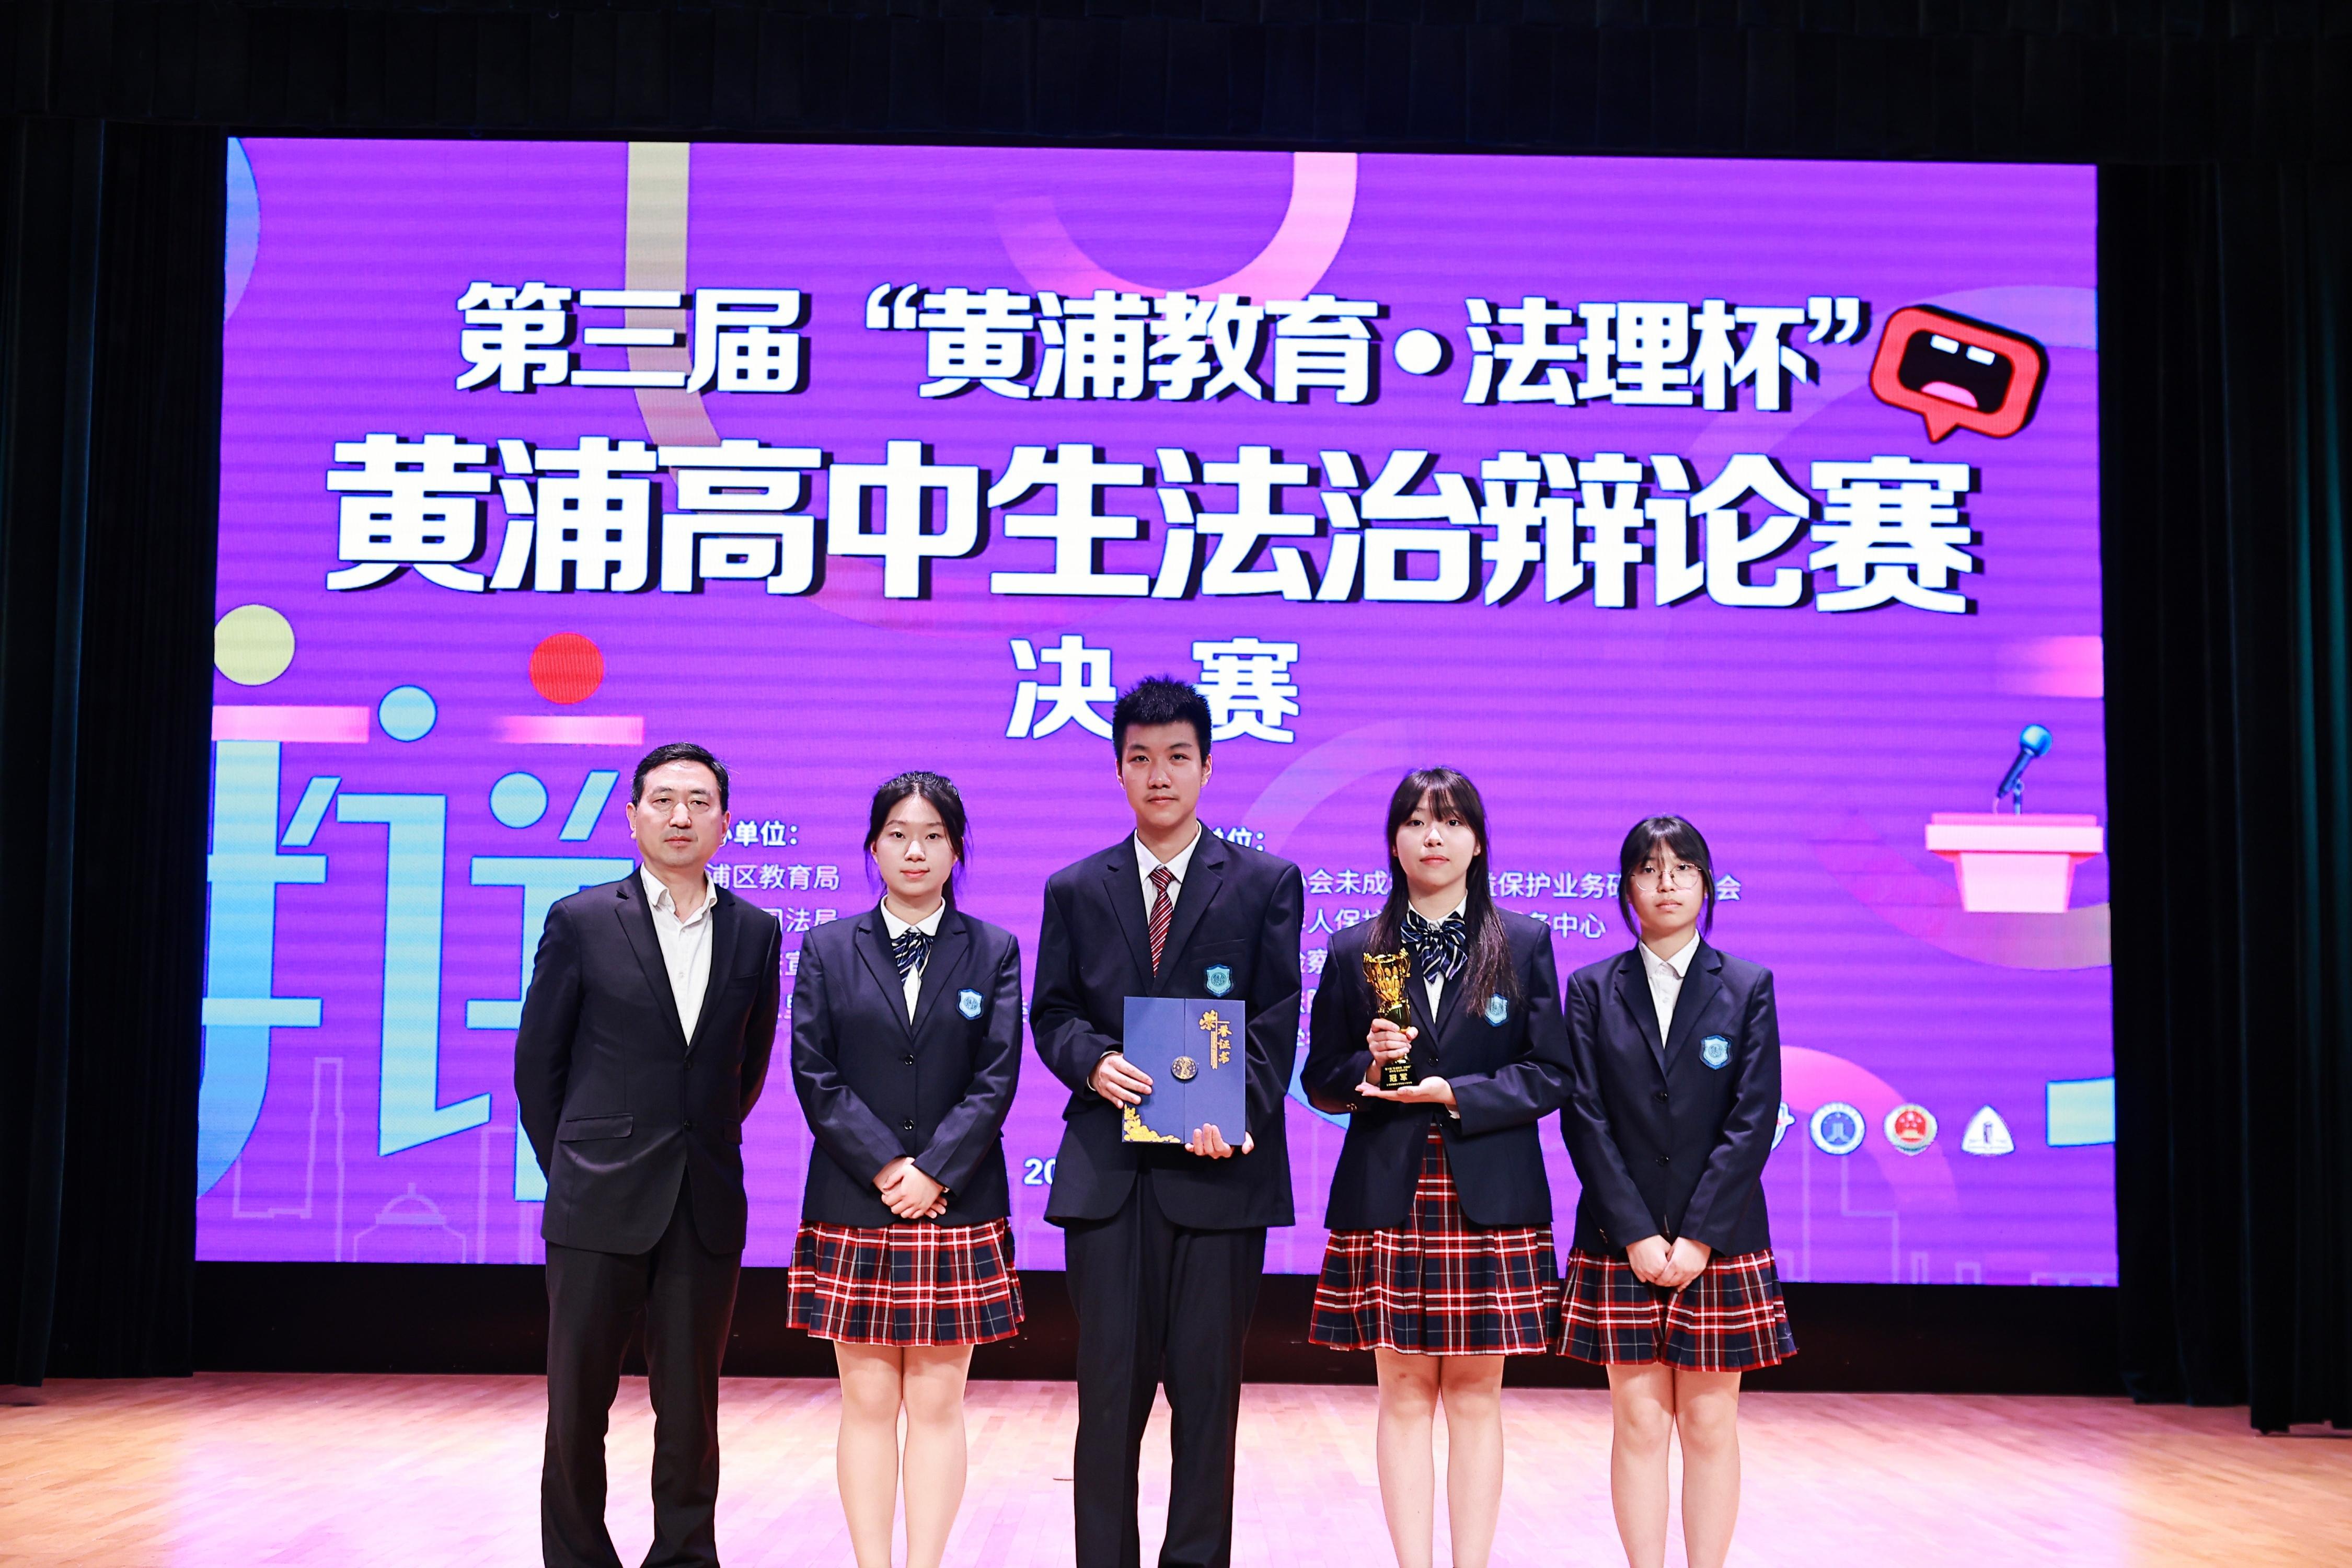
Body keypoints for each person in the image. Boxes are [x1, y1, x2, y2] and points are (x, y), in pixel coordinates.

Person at [1031, 676, 1305, 1568]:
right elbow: (1053, 1012)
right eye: (1141, 759)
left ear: (1207, 767)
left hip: (1220, 1173)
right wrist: (1089, 1060)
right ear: (1118, 770)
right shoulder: (1077, 888)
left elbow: (1275, 1018)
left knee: (1208, 1400)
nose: (1160, 775)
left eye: (1178, 757)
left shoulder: (1263, 883)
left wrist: (1236, 1111)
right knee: (1108, 1400)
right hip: (1110, 1179)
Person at [514, 742, 783, 1568]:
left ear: (726, 823)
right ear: (632, 817)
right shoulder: (582, 920)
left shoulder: (756, 932)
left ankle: (685, 1556)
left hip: (703, 1202)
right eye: (663, 800)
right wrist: (578, 1167)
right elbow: (538, 1068)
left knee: (691, 1407)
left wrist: (694, 1145)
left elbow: (744, 1068)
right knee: (578, 1404)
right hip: (596, 1199)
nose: (681, 816)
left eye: (700, 802)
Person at [1301, 767, 1570, 1568]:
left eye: (1451, 822)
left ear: (1477, 842)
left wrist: (1456, 1092)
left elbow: (1551, 1072)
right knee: (1403, 1392)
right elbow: (1319, 1078)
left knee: (1478, 1395)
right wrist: (1366, 1065)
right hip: (1389, 1188)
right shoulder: (1355, 948)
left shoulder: (1523, 942)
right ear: (1393, 842)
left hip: (1490, 1188)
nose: (1433, 836)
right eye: (1416, 821)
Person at [786, 771, 1024, 1568]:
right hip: (855, 1199)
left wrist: (935, 1172)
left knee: (937, 1402)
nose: (914, 850)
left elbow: (996, 1078)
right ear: (873, 846)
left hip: (956, 1203)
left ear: (956, 850)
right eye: (897, 834)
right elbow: (814, 1074)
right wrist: (889, 1164)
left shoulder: (993, 950)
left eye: (932, 836)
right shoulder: (828, 948)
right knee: (866, 1401)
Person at [1555, 815, 1796, 1568]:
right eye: (1650, 869)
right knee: (1637, 1422)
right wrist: (1635, 1231)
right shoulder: (1592, 989)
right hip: (1619, 1239)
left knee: (1711, 1424)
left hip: (1719, 1240)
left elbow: (1753, 1120)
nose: (1667, 883)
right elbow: (1584, 1118)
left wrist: (1697, 1237)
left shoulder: (1748, 986)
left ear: (1707, 885)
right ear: (1626, 888)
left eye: (1683, 868)